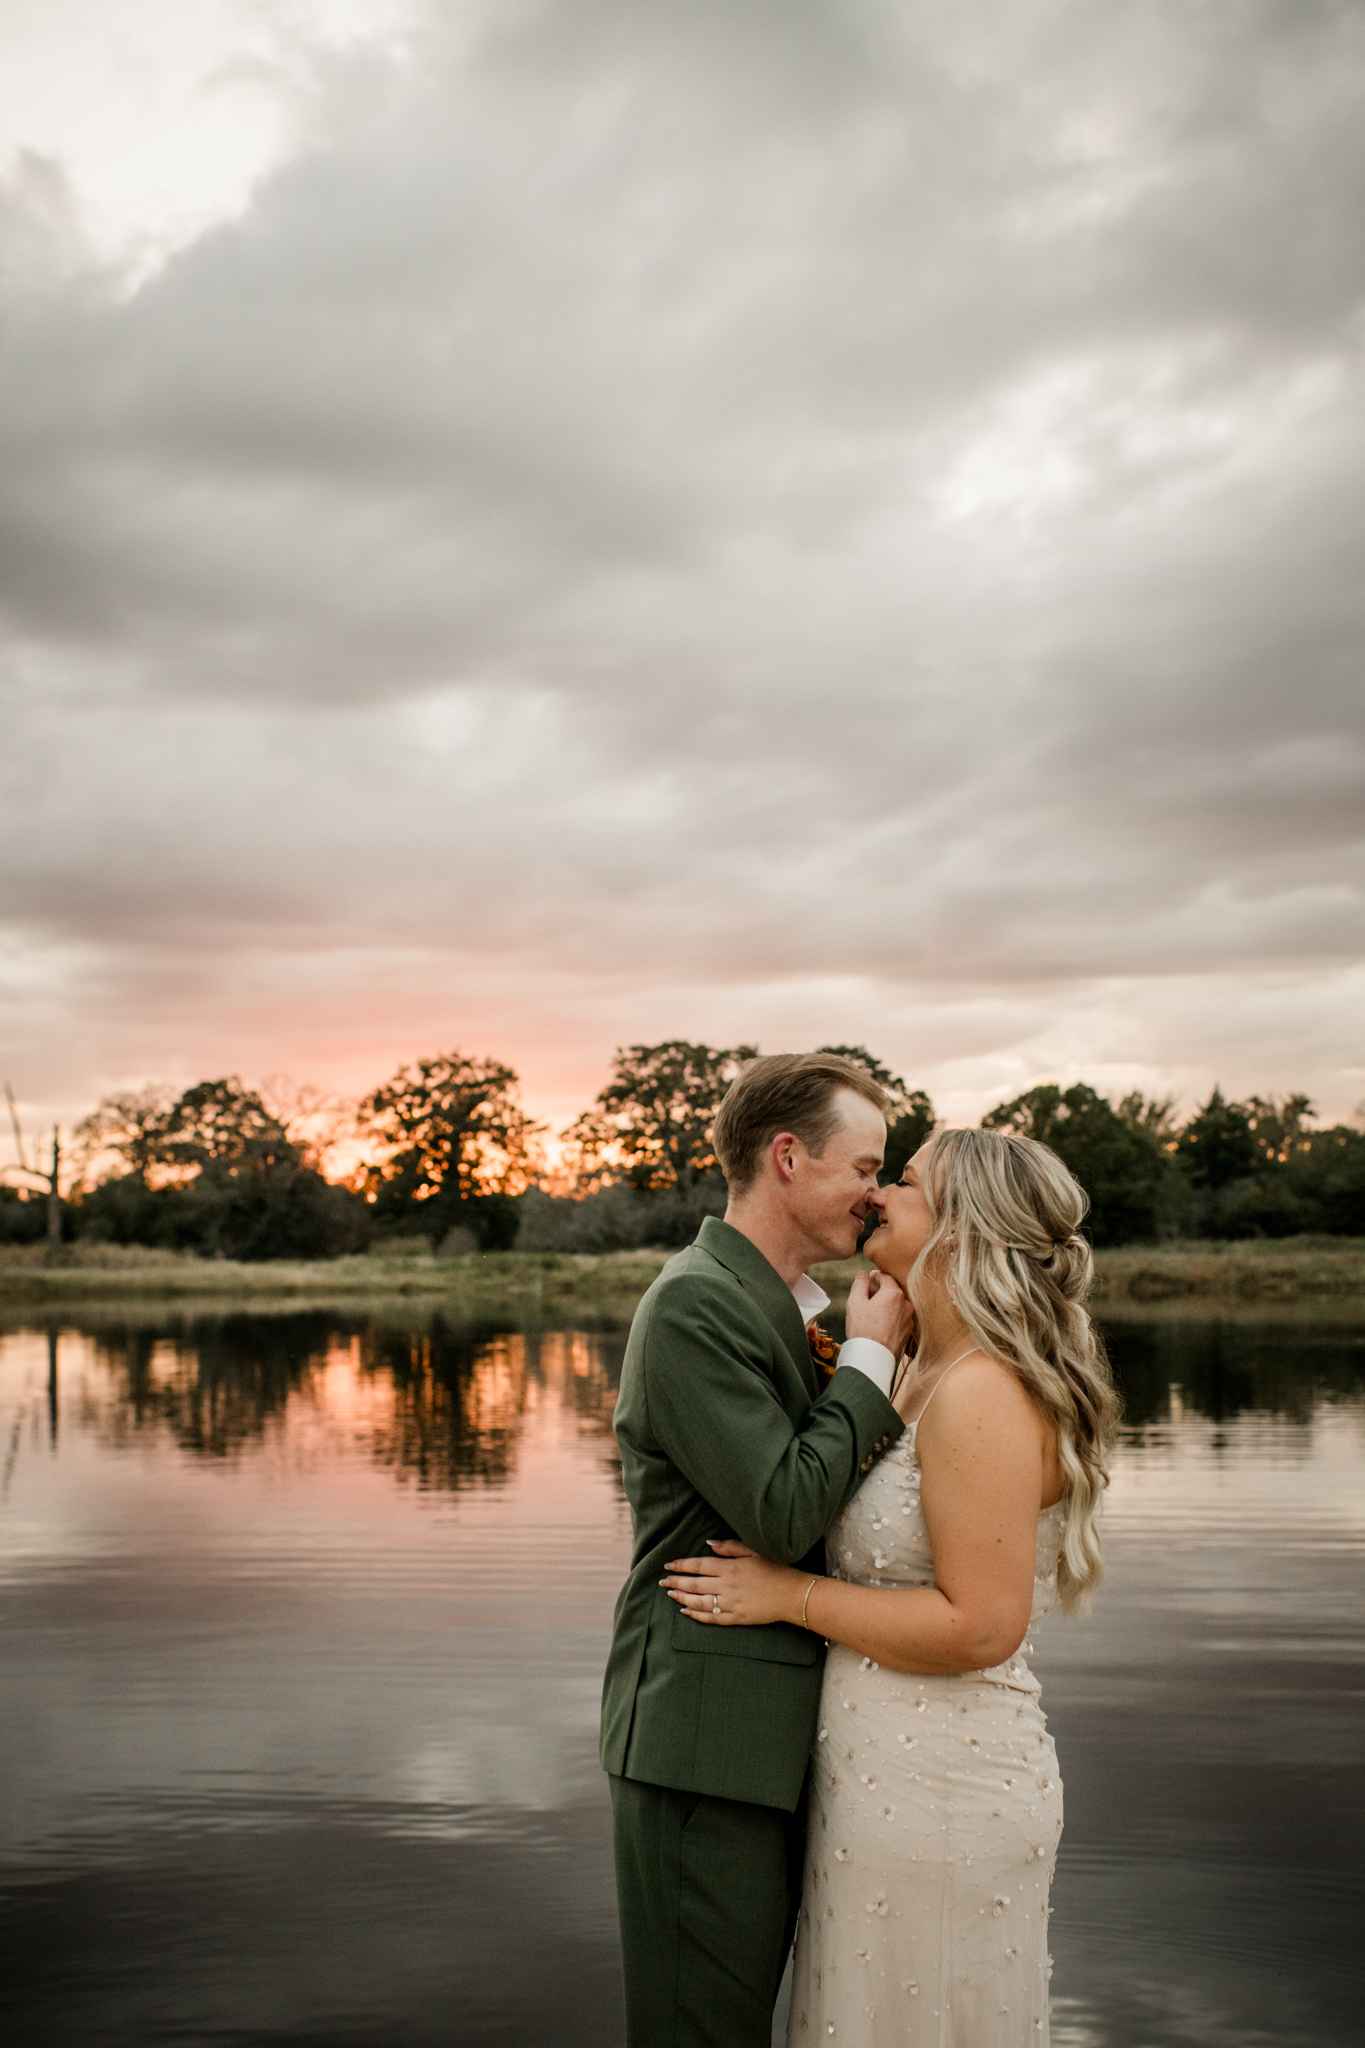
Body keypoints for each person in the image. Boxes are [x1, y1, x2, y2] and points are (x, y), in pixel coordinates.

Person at [663, 1127, 1119, 2046]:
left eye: (902, 1183)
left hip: (942, 1788)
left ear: (958, 1229)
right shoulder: (918, 1368)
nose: (877, 1196)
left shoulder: (982, 1390)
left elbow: (982, 1624)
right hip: (877, 1782)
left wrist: (787, 1596)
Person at [601, 1052, 918, 2048]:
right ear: (788, 1155)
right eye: (864, 1164)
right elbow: (783, 1508)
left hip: (781, 1743)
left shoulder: (791, 1307)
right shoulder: (697, 1302)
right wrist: (871, 1359)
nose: (876, 1191)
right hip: (707, 1743)